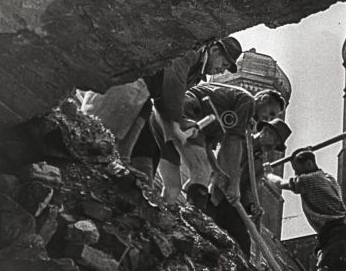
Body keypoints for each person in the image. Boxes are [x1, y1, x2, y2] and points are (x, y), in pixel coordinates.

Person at [81, 37, 242, 183]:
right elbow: (173, 83)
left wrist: (180, 123)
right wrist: (176, 125)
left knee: (144, 110)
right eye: (224, 64)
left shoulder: (196, 71)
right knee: (96, 142)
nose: (222, 70)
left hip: (141, 94)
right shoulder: (192, 53)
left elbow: (165, 100)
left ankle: (120, 161)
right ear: (214, 50)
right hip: (125, 81)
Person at [155, 84, 285, 207]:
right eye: (271, 113)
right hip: (184, 115)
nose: (268, 119)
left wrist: (218, 171)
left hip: (165, 116)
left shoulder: (226, 115)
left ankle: (162, 213)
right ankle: (194, 214)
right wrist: (234, 183)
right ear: (264, 99)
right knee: (202, 172)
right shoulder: (248, 102)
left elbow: (208, 145)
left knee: (173, 189)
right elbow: (232, 141)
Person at [213, 117, 291, 257]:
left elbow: (250, 188)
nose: (273, 147)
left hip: (233, 202)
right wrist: (226, 182)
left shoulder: (259, 164)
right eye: (275, 141)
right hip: (216, 192)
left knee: (243, 241)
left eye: (277, 144)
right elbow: (221, 158)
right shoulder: (240, 140)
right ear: (266, 132)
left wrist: (252, 206)